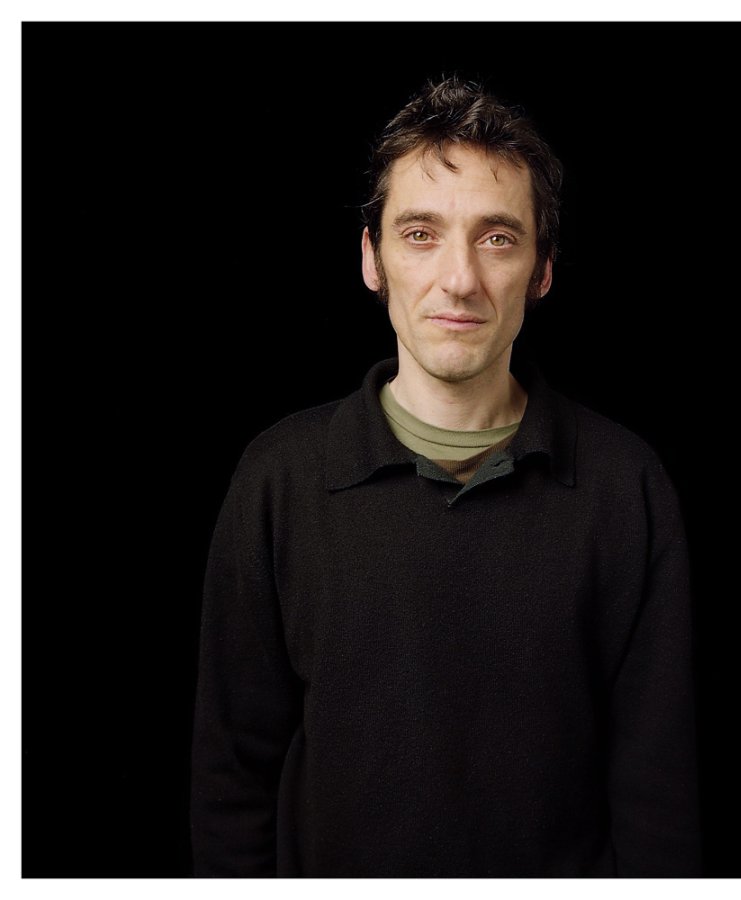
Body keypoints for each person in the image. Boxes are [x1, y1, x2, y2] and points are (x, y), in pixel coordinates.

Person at [190, 74, 702, 878]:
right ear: (372, 258)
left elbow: (658, 795)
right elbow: (231, 779)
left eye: (497, 238)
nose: (459, 278)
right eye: (421, 233)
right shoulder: (279, 480)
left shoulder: (624, 485)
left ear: (542, 269)